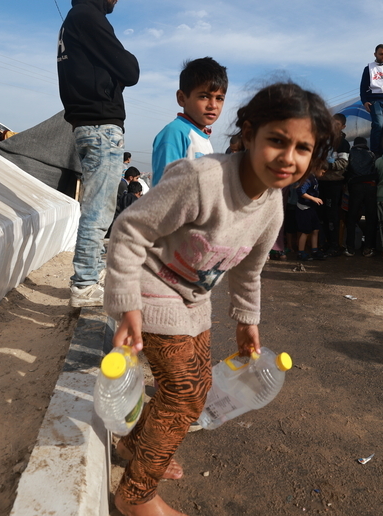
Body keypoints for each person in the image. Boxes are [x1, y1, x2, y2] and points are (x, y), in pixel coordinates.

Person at [104, 81, 335, 516]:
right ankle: (136, 495)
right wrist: (126, 302)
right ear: (248, 134)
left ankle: (137, 446)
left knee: (198, 386)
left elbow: (249, 268)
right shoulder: (201, 180)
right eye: (277, 141)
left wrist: (247, 321)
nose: (289, 158)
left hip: (194, 301)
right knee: (184, 391)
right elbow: (130, 229)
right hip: (153, 288)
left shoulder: (273, 206)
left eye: (303, 149)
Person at [58, 0, 140, 307]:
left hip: (86, 124)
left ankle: (89, 273)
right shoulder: (89, 19)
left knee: (96, 205)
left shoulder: (74, 21)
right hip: (101, 126)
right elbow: (131, 69)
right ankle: (85, 284)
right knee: (99, 209)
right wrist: (119, 71)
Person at [151, 57, 228, 185]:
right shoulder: (175, 133)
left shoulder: (203, 137)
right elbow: (164, 190)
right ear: (182, 98)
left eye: (219, 98)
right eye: (204, 96)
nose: (213, 105)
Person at [317, 113, 351, 254]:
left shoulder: (343, 144)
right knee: (322, 214)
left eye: (337, 125)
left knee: (332, 214)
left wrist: (325, 166)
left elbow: (343, 163)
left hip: (334, 183)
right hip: (321, 182)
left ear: (343, 127)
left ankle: (334, 245)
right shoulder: (323, 142)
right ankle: (325, 242)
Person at [344, 136, 378, 256]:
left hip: (356, 187)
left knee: (352, 217)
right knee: (370, 218)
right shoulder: (371, 154)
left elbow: (346, 170)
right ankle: (367, 248)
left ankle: (350, 248)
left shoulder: (350, 153)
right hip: (371, 187)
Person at [295, 165, 326, 261]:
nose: (322, 175)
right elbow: (300, 191)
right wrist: (313, 198)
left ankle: (315, 250)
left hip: (311, 208)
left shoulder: (314, 179)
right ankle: (301, 252)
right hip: (304, 208)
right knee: (305, 231)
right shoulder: (308, 178)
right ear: (316, 168)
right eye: (322, 172)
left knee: (316, 229)